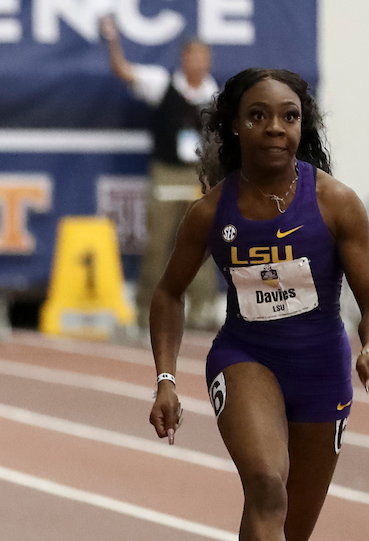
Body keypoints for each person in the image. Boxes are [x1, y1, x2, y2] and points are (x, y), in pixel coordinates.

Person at [148, 69, 369, 541]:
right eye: (258, 116)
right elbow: (168, 293)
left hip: (322, 369)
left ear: (302, 125)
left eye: (287, 116)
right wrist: (166, 376)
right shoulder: (212, 210)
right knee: (264, 482)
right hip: (246, 355)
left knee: (292, 533)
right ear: (234, 125)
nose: (274, 128)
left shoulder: (336, 202)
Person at [101, 16, 220, 328]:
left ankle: (201, 310)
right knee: (156, 245)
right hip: (166, 174)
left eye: (204, 57)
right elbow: (123, 70)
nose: (199, 63)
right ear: (184, 59)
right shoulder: (161, 84)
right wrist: (113, 40)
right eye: (193, 57)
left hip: (198, 177)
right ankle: (146, 311)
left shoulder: (216, 95)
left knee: (204, 245)